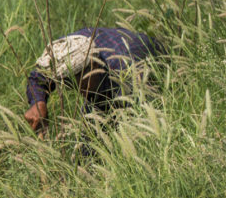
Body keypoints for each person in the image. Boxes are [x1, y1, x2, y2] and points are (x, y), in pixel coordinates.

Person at [24, 26, 164, 134]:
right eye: (68, 82)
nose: (77, 89)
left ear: (94, 64)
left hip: (152, 63)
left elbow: (138, 123)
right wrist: (38, 103)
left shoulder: (124, 72)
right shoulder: (68, 50)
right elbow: (38, 77)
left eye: (81, 82)